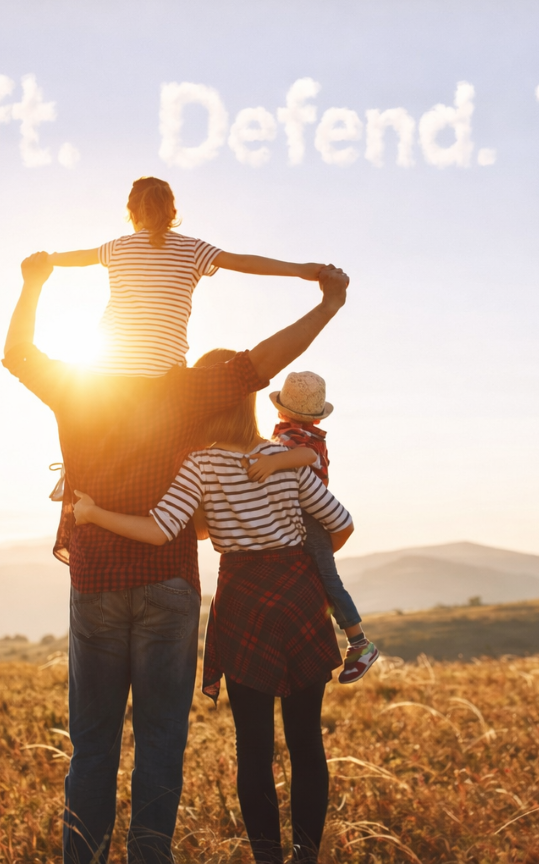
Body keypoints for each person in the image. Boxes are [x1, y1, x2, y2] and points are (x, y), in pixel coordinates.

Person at [2, 252, 349, 864]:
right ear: (172, 321)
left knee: (92, 744)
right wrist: (325, 304)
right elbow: (263, 362)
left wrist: (33, 286)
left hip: (96, 583)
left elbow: (19, 354)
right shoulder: (188, 389)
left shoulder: (78, 385)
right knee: (161, 741)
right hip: (169, 584)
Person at [71, 352, 353, 864]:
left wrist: (93, 513)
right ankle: (306, 857)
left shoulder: (200, 463)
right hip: (299, 595)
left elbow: (159, 530)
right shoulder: (283, 455)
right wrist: (298, 567)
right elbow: (341, 523)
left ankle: (267, 857)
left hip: (244, 599)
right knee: (308, 741)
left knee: (254, 748)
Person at [48, 176, 328, 376]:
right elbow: (243, 263)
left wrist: (48, 260)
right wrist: (301, 270)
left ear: (132, 214)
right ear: (173, 212)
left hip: (105, 369)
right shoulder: (193, 248)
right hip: (162, 373)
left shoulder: (118, 246)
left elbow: (80, 257)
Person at [245, 370, 379, 683]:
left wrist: (272, 463)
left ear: (279, 408)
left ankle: (359, 643)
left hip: (312, 518)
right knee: (315, 581)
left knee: (327, 580)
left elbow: (305, 457)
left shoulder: (297, 438)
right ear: (317, 416)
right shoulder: (298, 433)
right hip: (305, 516)